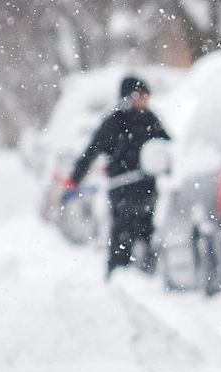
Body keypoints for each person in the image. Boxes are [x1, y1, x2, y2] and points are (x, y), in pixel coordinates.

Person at [66, 76, 170, 280]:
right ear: (129, 97)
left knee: (146, 230)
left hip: (147, 187)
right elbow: (92, 150)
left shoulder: (150, 119)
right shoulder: (114, 122)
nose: (145, 101)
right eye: (141, 96)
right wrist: (75, 178)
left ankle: (146, 274)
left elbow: (166, 146)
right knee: (122, 233)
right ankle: (117, 273)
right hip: (121, 189)